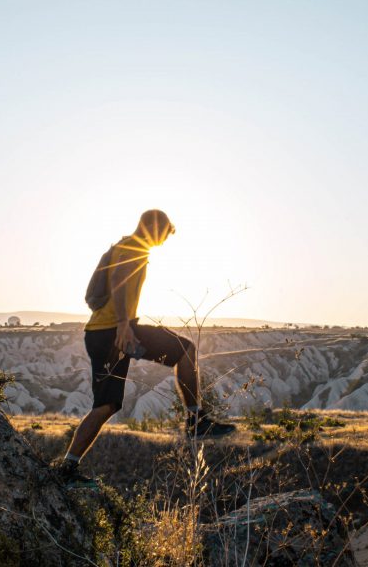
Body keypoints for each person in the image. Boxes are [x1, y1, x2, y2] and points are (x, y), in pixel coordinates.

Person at [58, 209, 235, 489]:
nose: (164, 240)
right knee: (185, 350)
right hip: (111, 332)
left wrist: (124, 324)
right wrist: (123, 325)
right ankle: (196, 421)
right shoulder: (132, 247)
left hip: (106, 332)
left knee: (107, 405)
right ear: (155, 229)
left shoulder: (127, 245)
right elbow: (118, 280)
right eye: (164, 234)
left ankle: (67, 467)